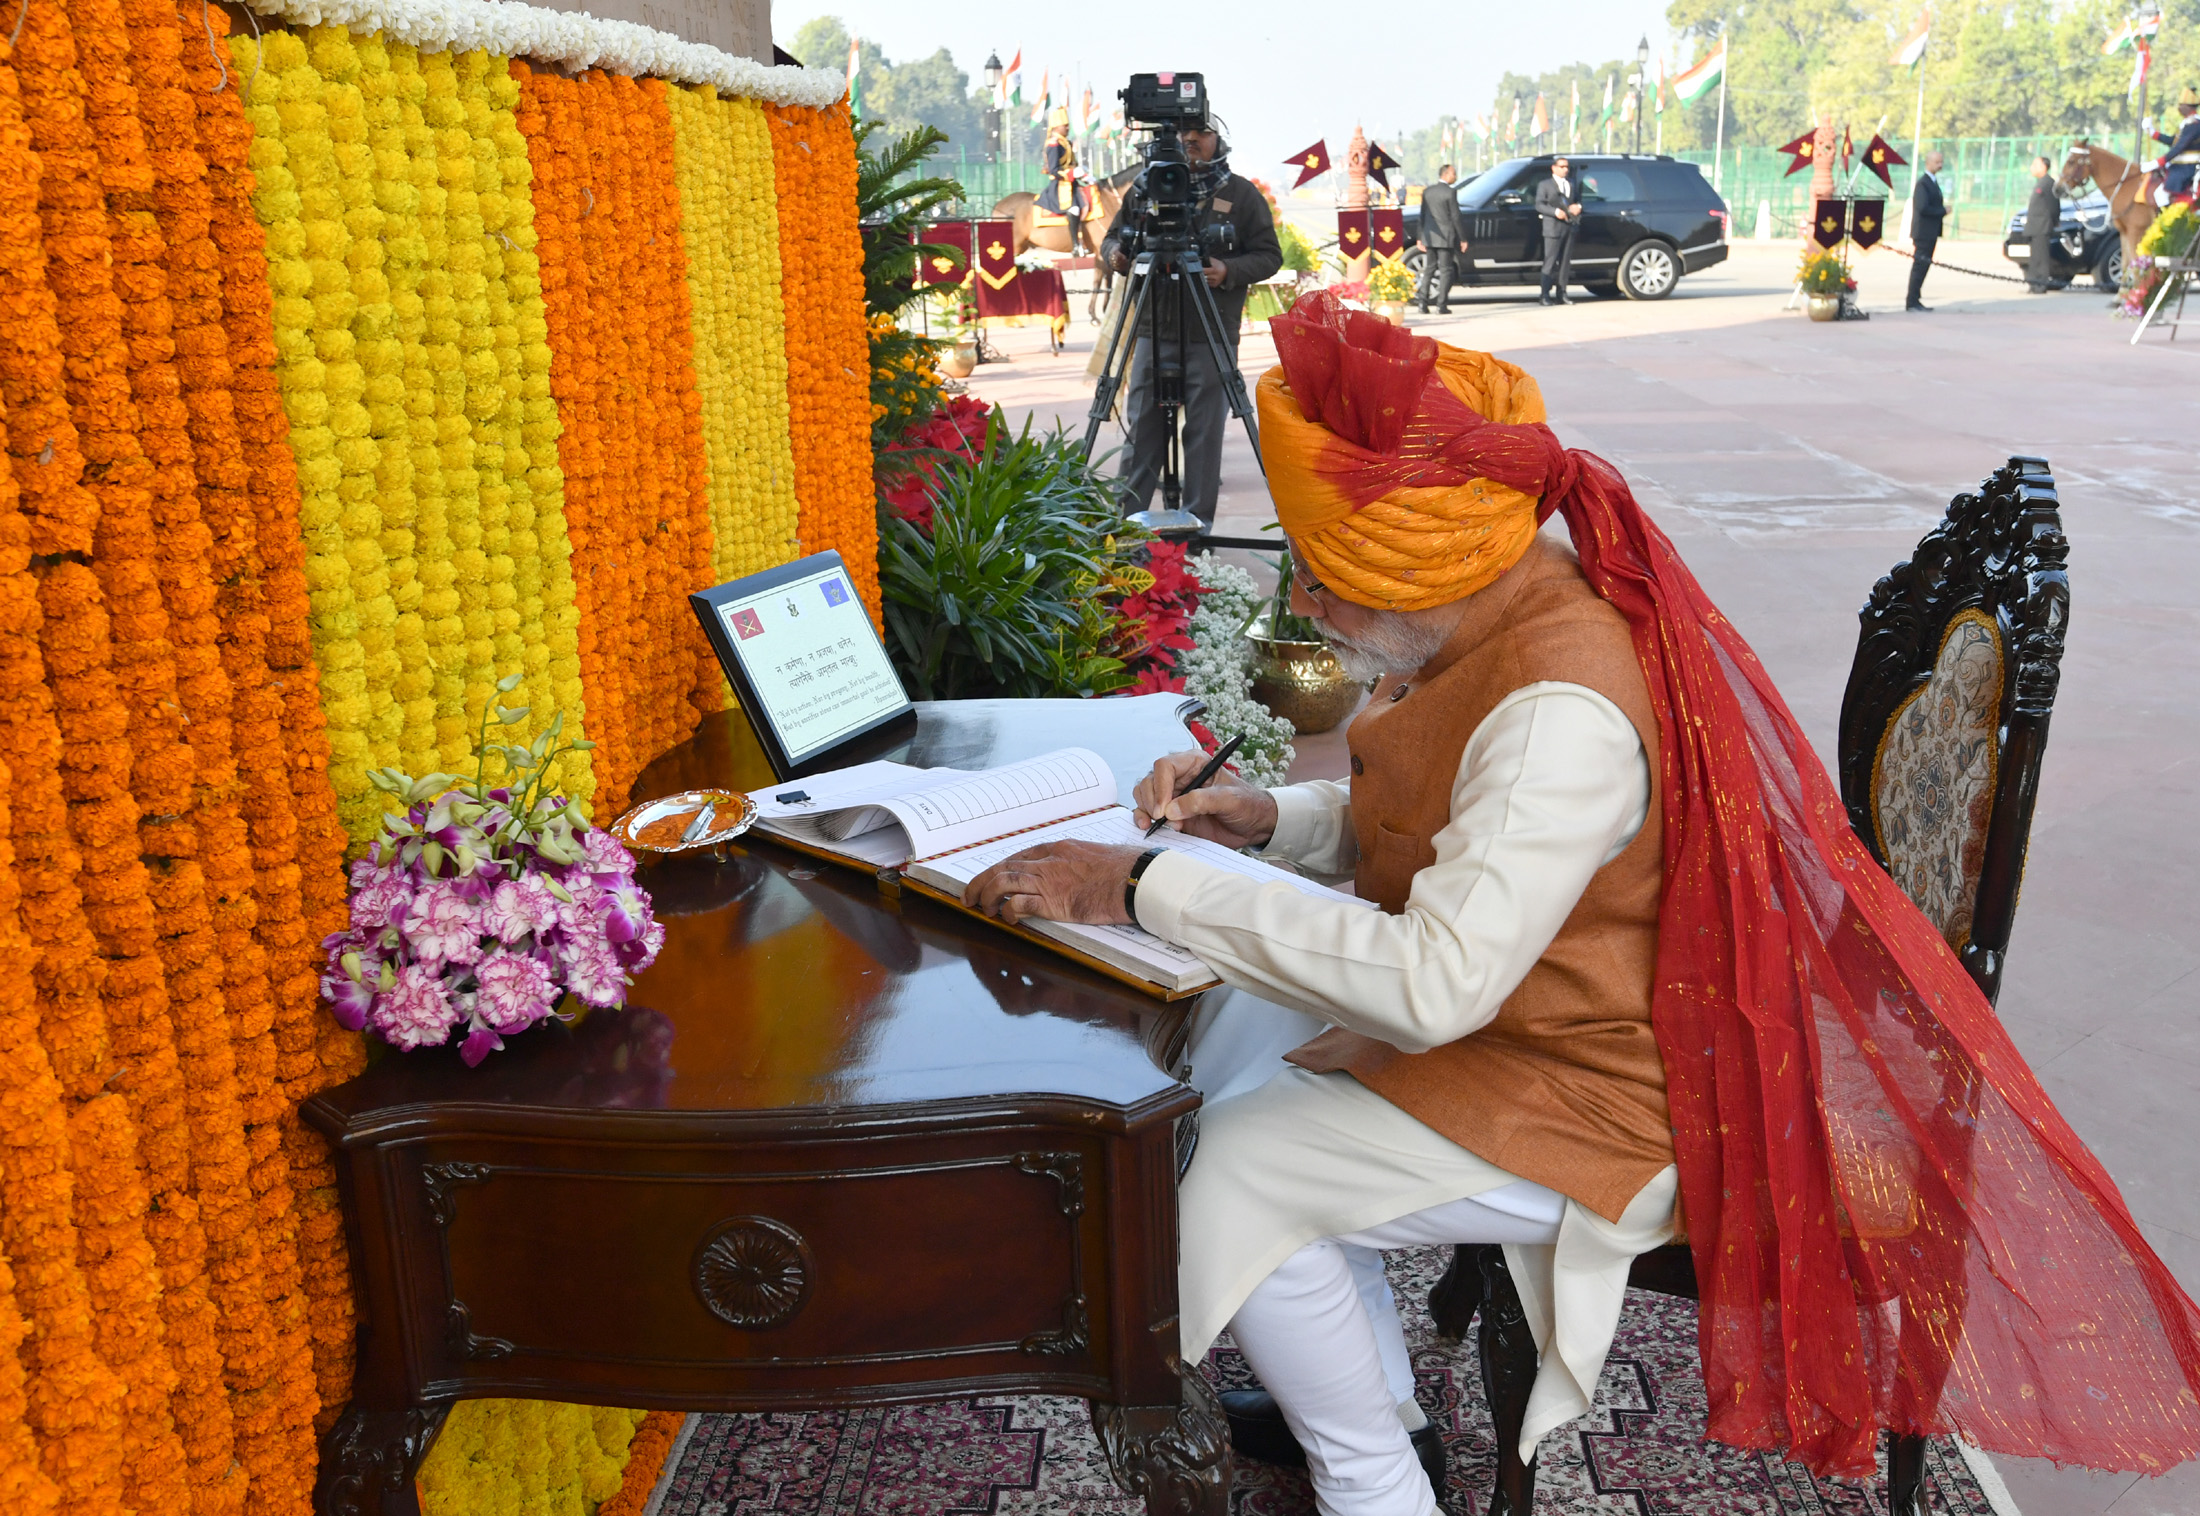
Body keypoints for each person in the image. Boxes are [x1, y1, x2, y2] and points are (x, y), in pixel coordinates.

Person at [964, 291, 2200, 1515]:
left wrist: (1137, 883)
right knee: (1231, 1045)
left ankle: (1375, 1482)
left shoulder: (1558, 706)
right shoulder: (1497, 603)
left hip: (1614, 1084)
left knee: (1227, 1161)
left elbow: (1432, 979)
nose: (1306, 609)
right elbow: (1463, 838)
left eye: (1327, 581)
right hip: (1537, 1009)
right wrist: (1269, 822)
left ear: (1421, 571)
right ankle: (1377, 1409)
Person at [1100, 113, 1282, 526]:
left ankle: (1197, 526)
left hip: (1209, 328)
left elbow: (1270, 255)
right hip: (1152, 326)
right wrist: (1116, 255)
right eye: (1184, 133)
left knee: (1204, 433)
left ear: (1220, 139)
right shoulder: (1145, 189)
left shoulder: (1239, 194)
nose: (1191, 140)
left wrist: (1228, 270)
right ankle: (1126, 526)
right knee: (1143, 426)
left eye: (1201, 132)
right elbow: (1113, 236)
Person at [1414, 164, 1465, 315]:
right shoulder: (1450, 192)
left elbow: (1422, 216)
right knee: (1445, 271)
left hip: (1430, 237)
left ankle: (1422, 303)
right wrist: (1463, 238)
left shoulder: (1428, 191)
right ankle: (1441, 305)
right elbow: (1456, 217)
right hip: (1445, 237)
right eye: (1454, 174)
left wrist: (1419, 237)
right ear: (1446, 174)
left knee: (1429, 269)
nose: (1455, 177)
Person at [1535, 156, 1582, 305]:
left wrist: (1578, 207)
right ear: (1554, 168)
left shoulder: (1571, 184)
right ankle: (1544, 295)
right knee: (1550, 262)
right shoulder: (1545, 185)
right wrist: (1555, 212)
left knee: (1565, 263)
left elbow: (1578, 200)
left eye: (1567, 167)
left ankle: (1562, 293)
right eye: (1562, 166)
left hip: (1568, 227)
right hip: (1552, 228)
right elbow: (1539, 205)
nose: (1565, 169)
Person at [1037, 105, 1086, 232]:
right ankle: (1075, 244)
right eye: (1065, 125)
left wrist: (1083, 174)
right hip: (1060, 186)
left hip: (1072, 184)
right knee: (1073, 209)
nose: (1068, 128)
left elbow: (1072, 163)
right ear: (1057, 127)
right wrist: (1072, 173)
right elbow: (1054, 170)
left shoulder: (1067, 143)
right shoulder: (1054, 144)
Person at [1906, 150, 1945, 312]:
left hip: (1931, 232)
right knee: (1920, 266)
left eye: (1941, 162)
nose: (1940, 165)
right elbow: (1922, 207)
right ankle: (1912, 301)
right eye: (1937, 162)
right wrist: (1942, 211)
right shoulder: (1923, 183)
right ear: (1928, 163)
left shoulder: (1932, 182)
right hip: (1923, 232)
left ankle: (1916, 299)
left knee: (1924, 266)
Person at [2150, 86, 2200, 204]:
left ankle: (2167, 220)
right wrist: (2153, 133)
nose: (2179, 107)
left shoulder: (2194, 124)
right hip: (2179, 166)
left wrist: (2159, 161)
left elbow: (2179, 147)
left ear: (2188, 106)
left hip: (2188, 167)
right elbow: (2173, 141)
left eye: (2181, 104)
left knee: (2161, 195)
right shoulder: (2187, 123)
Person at [2026, 156, 2060, 293]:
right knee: (2034, 258)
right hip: (2034, 226)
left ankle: (2041, 284)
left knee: (2042, 258)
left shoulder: (2048, 183)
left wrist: (2054, 221)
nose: (2032, 167)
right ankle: (2033, 283)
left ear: (2043, 167)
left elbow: (2054, 206)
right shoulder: (2040, 182)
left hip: (2043, 225)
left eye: (2035, 164)